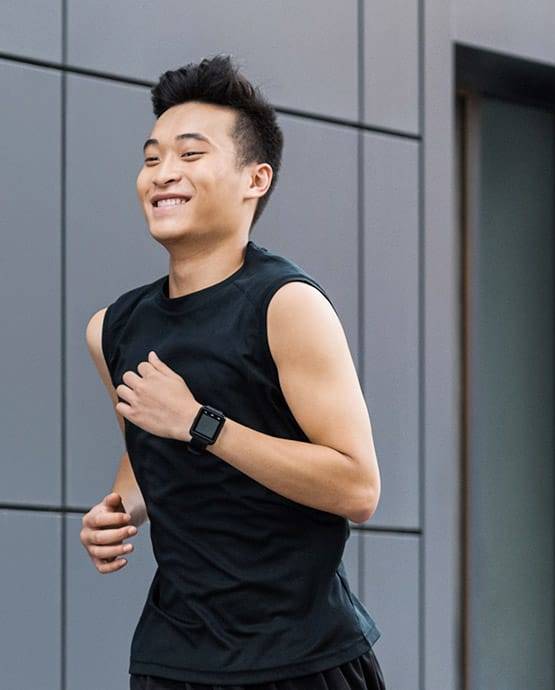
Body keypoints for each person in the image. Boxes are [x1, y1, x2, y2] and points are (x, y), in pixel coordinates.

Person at [78, 55, 386, 689]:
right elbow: (145, 448)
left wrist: (199, 422)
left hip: (302, 660)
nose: (163, 174)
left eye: (191, 155)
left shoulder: (286, 305)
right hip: (173, 660)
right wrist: (121, 510)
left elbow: (357, 488)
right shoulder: (111, 328)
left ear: (256, 179)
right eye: (152, 156)